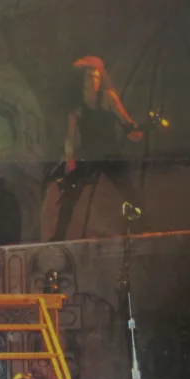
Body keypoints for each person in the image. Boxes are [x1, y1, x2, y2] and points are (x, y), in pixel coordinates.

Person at [49, 56, 144, 241]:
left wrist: (134, 131)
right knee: (70, 194)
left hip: (110, 154)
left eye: (97, 77)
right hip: (89, 155)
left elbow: (126, 121)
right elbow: (70, 138)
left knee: (128, 191)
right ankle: (59, 236)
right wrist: (70, 161)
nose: (94, 80)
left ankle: (142, 226)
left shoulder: (109, 98)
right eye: (89, 77)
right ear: (81, 81)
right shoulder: (77, 107)